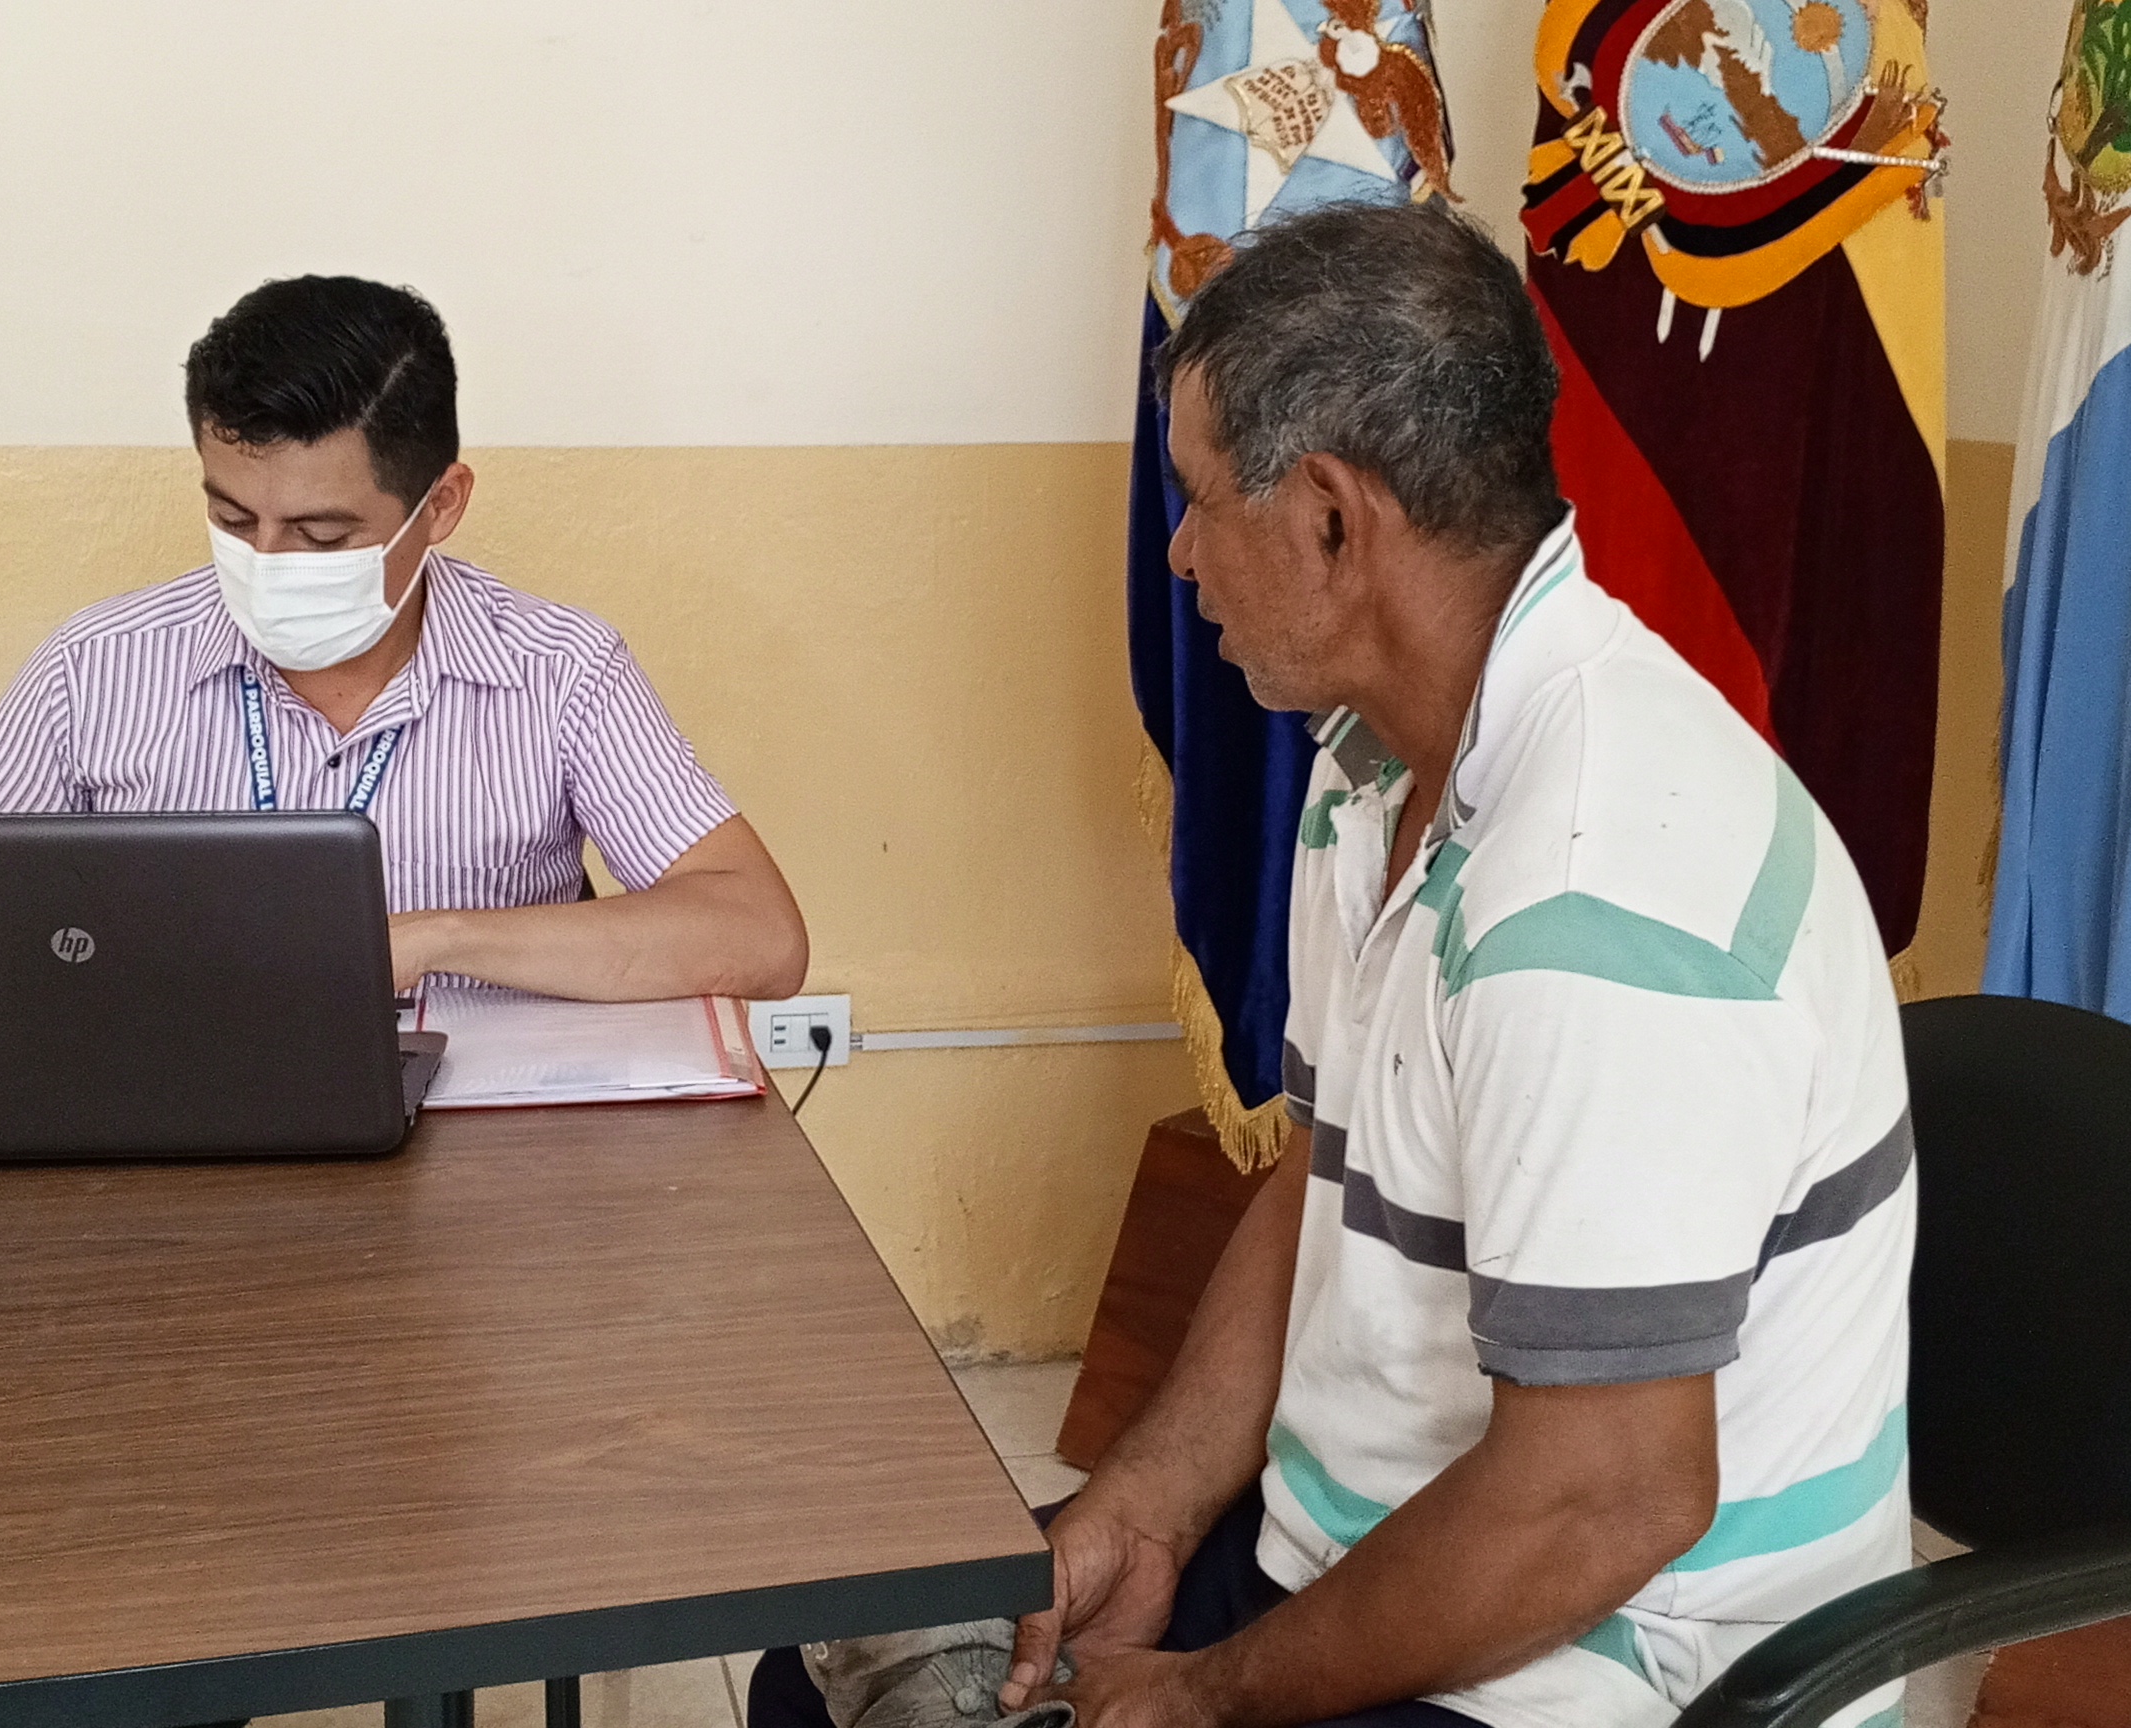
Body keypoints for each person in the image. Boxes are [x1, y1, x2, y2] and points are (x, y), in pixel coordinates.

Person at [757, 205, 1914, 1728]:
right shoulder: (1370, 769)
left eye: (1194, 499)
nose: (1179, 555)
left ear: (1328, 520)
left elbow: (1603, 1502)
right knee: (824, 1680)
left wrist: (1206, 1697)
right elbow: (1319, 1178)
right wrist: (1148, 1510)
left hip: (1605, 1669)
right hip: (1370, 1562)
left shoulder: (1599, 891)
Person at [0, 276, 809, 1002]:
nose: (266, 561)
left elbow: (760, 937)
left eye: (322, 535)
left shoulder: (560, 670)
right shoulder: (96, 666)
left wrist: (436, 940)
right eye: (232, 518)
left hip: (474, 1129)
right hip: (171, 1116)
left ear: (441, 506)